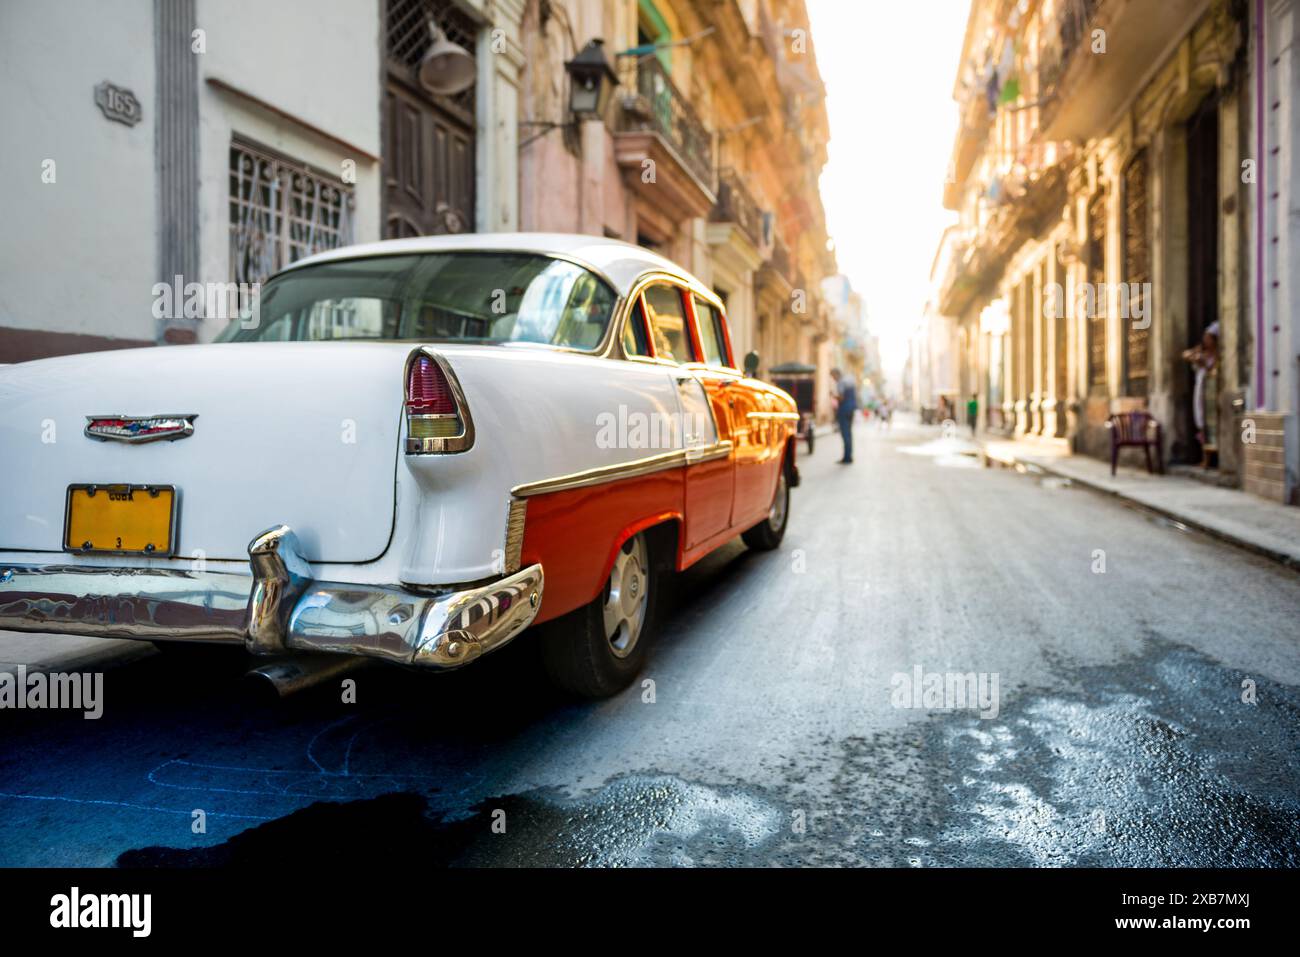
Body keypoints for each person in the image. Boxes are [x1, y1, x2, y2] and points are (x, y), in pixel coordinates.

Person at [1183, 321, 1219, 465]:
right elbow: (1185, 355)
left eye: (1209, 337)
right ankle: (1205, 457)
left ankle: (1210, 458)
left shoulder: (1216, 355)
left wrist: (1205, 364)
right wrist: (1197, 354)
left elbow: (1214, 369)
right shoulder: (1202, 352)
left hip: (1211, 391)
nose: (1206, 340)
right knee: (1200, 419)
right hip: (1201, 390)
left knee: (1210, 421)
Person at [830, 367, 858, 464]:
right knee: (849, 434)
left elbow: (841, 398)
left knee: (845, 434)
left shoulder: (841, 382)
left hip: (844, 409)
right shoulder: (850, 381)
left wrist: (833, 395)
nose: (833, 379)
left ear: (836, 374)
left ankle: (847, 458)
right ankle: (849, 456)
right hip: (851, 409)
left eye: (833, 376)